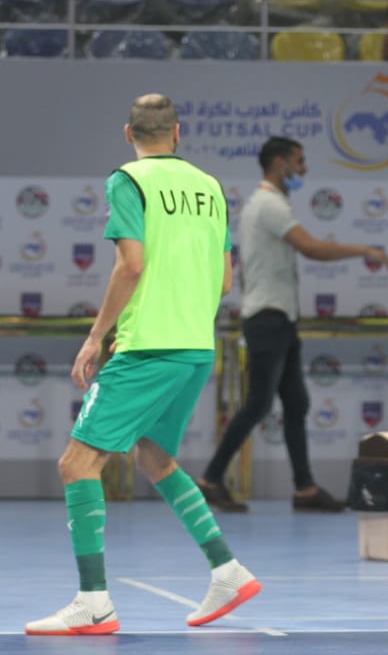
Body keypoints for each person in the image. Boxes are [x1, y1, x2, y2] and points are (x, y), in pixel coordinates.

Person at [27, 94, 259, 635]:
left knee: (77, 464)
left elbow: (130, 266)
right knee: (154, 457)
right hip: (195, 347)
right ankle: (227, 571)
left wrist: (95, 337)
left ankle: (93, 602)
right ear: (177, 133)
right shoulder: (210, 187)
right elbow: (225, 281)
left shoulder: (127, 181)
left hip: (147, 346)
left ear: (128, 133)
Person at [198, 137, 388, 514]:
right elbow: (311, 248)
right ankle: (210, 479)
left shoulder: (267, 204)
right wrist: (365, 250)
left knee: (296, 403)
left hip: (279, 318)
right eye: (299, 161)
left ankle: (305, 488)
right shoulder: (268, 204)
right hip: (268, 319)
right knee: (258, 404)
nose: (304, 169)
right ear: (280, 163)